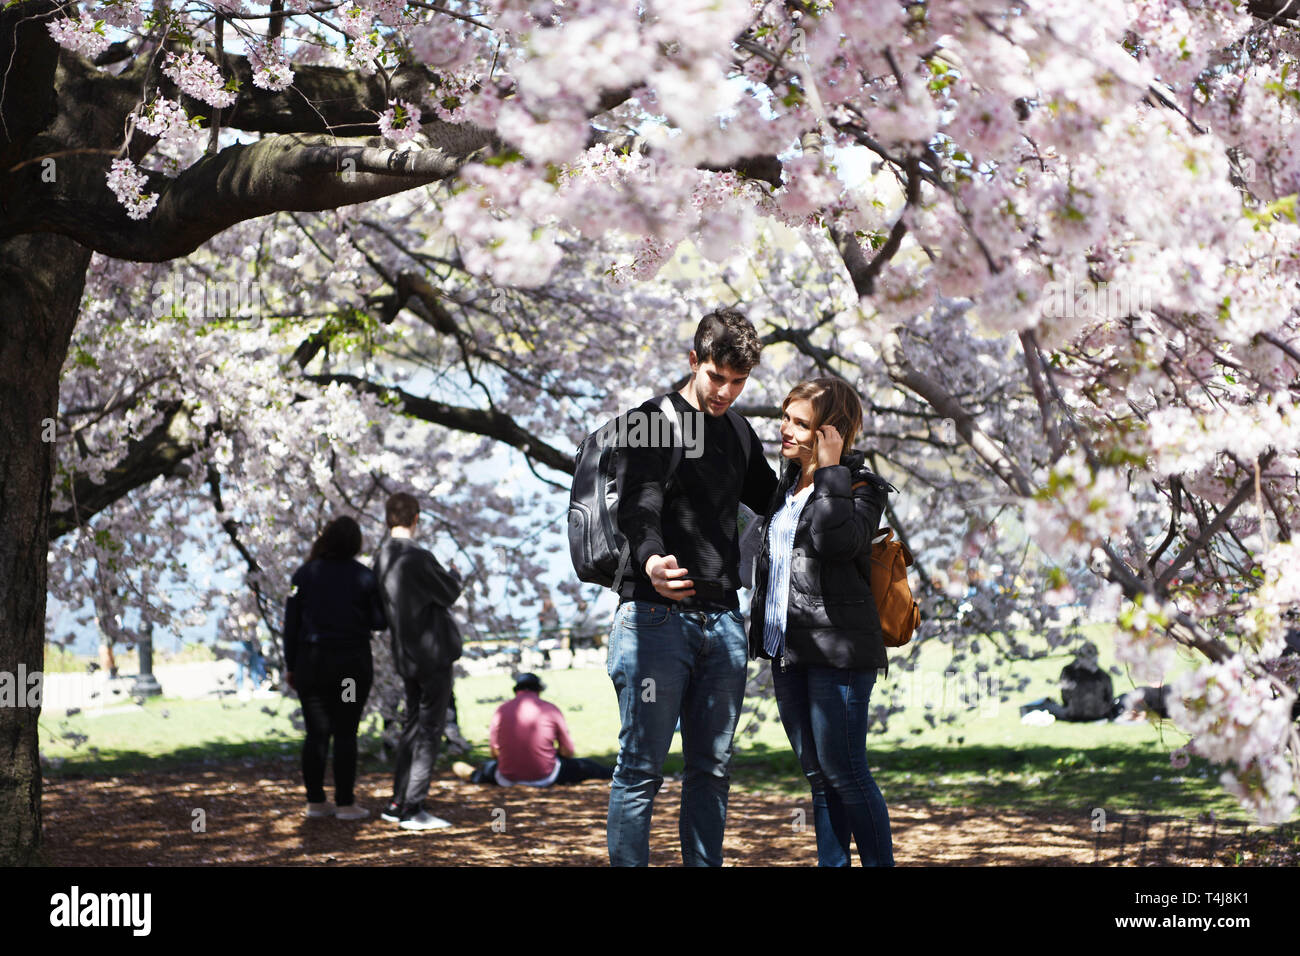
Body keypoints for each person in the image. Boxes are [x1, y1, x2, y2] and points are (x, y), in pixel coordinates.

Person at [607, 307, 779, 866]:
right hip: (656, 620)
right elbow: (639, 503)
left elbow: (777, 503)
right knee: (641, 770)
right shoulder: (650, 420)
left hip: (723, 623)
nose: (726, 391)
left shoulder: (738, 431)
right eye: (717, 377)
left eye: (739, 381)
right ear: (693, 361)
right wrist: (651, 557)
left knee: (712, 771)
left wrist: (832, 469)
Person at [748, 377, 895, 867]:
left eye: (800, 423)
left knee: (846, 772)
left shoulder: (860, 489)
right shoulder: (786, 488)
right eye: (784, 417)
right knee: (819, 775)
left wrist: (831, 470)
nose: (785, 430)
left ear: (830, 432)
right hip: (788, 654)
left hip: (839, 656)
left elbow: (837, 544)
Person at [282, 515, 387, 820]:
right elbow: (379, 622)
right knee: (345, 731)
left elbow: (291, 627)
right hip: (349, 667)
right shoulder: (364, 577)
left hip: (311, 665)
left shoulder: (303, 575)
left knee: (316, 733)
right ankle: (345, 803)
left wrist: (292, 666)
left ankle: (315, 801)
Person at [373, 492, 464, 831]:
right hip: (432, 652)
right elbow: (449, 593)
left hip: (404, 653)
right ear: (416, 518)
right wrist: (454, 574)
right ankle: (413, 807)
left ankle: (398, 801)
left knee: (412, 727)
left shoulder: (380, 558)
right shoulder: (418, 556)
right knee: (429, 730)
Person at [452, 673, 613, 786]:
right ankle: (616, 773)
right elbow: (567, 752)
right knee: (586, 766)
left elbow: (494, 753)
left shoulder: (501, 710)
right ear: (539, 690)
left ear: (516, 690)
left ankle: (471, 774)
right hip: (546, 776)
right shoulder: (550, 709)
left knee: (485, 768)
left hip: (507, 777)